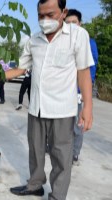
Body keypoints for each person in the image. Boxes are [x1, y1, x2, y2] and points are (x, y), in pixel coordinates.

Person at [4, 0, 94, 199]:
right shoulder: (34, 39)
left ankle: (57, 195)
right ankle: (35, 184)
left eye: (50, 15)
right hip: (36, 107)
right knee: (35, 151)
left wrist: (87, 107)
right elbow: (20, 68)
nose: (45, 20)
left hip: (62, 109)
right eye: (40, 15)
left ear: (64, 12)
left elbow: (83, 72)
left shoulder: (78, 36)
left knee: (61, 156)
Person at [65, 9, 99, 165]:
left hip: (77, 92)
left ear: (80, 23)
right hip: (63, 91)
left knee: (77, 126)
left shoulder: (89, 43)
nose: (71, 26)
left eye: (74, 23)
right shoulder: (62, 43)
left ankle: (74, 153)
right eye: (68, 23)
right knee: (61, 124)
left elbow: (90, 70)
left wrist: (83, 94)